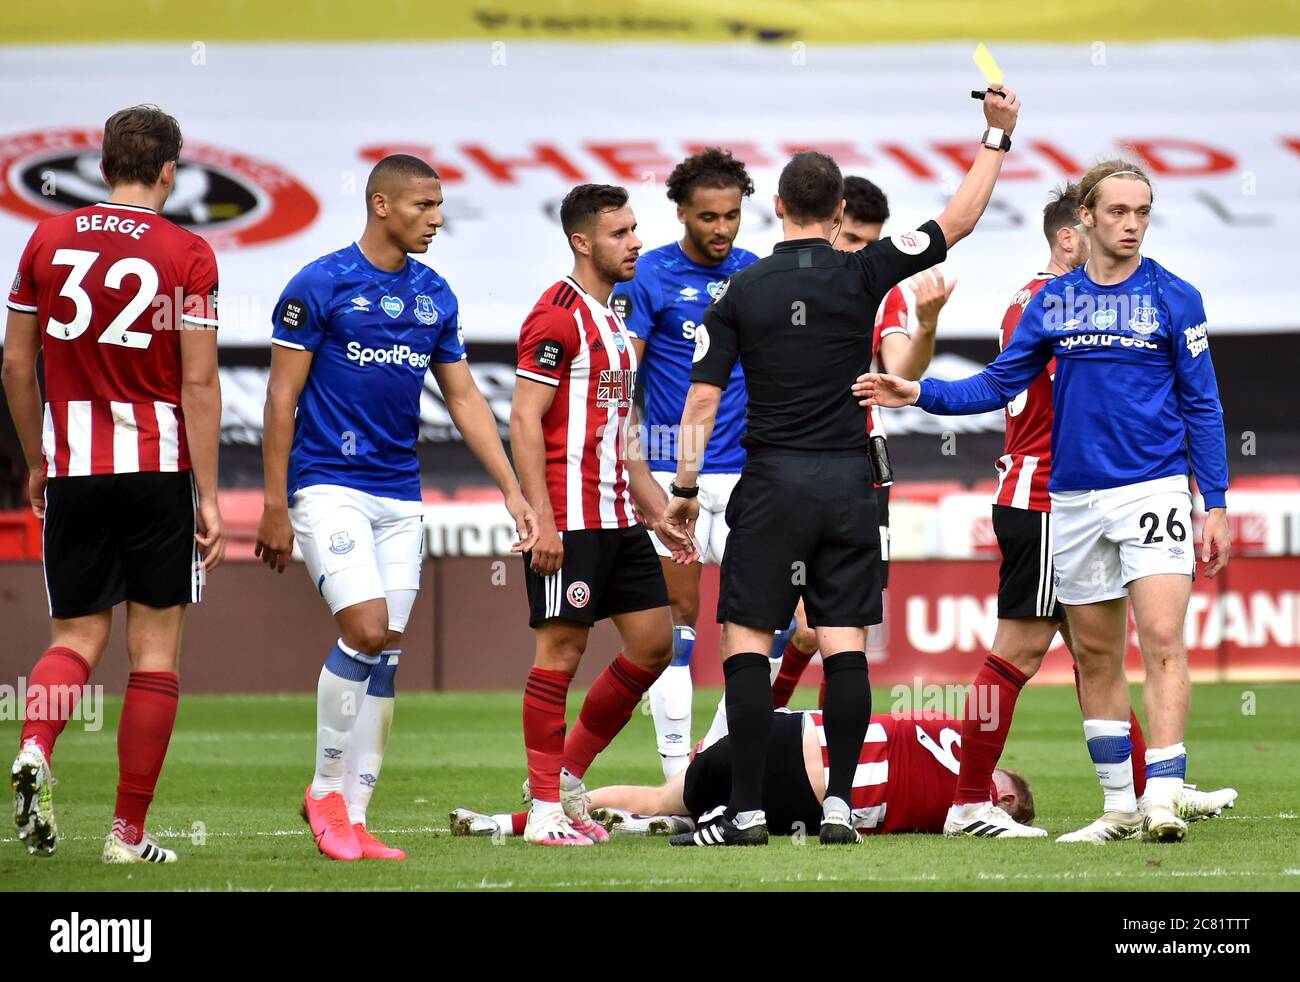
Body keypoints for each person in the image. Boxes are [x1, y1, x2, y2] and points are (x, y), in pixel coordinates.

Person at [662, 85, 1022, 846]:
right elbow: (957, 220)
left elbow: (698, 408)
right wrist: (996, 137)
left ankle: (748, 809)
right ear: (834, 215)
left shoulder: (738, 291)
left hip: (771, 484)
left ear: (778, 210)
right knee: (845, 647)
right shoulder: (865, 275)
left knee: (748, 645)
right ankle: (835, 811)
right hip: (851, 484)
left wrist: (686, 490)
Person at [857, 159, 1232, 844]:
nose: (1131, 225)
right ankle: (1095, 804)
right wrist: (923, 392)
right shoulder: (1047, 305)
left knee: (1145, 645)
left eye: (1142, 212)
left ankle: (1162, 796)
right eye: (1117, 212)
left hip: (1136, 493)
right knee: (1067, 656)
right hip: (1060, 500)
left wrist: (1216, 500)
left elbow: (1201, 403)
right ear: (1078, 224)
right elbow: (1000, 385)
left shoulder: (1172, 297)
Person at [254, 153, 538, 861]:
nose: (436, 219)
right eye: (423, 206)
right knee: (367, 629)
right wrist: (273, 504)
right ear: (381, 205)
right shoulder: (318, 285)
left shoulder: (435, 295)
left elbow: (466, 399)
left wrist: (512, 488)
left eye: (439, 206)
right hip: (328, 486)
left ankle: (356, 813)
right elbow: (280, 400)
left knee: (388, 656)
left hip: (399, 496)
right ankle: (322, 790)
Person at [4, 105, 224, 863]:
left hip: (74, 468)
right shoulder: (189, 252)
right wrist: (211, 494)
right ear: (170, 171)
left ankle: (37, 743)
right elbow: (199, 384)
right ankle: (128, 836)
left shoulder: (47, 238)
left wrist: (37, 458)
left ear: (100, 168)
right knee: (155, 654)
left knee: (75, 636)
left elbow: (13, 364)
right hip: (158, 469)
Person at [511, 184, 692, 846]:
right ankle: (543, 809)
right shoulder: (556, 315)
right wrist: (542, 519)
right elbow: (524, 418)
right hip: (571, 518)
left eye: (636, 229)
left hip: (618, 517)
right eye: (620, 232)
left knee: (653, 645)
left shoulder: (615, 321)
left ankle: (566, 781)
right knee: (560, 650)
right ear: (582, 241)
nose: (636, 241)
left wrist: (659, 512)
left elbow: (622, 435)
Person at [609, 148, 777, 779]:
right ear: (681, 211)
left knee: (756, 627)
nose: (721, 229)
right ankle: (679, 777)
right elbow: (619, 381)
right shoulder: (647, 277)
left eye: (732, 216)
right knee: (677, 630)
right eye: (707, 216)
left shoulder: (756, 275)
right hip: (668, 475)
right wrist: (635, 469)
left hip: (746, 476)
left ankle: (720, 762)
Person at [770, 175, 955, 709]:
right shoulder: (775, 282)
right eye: (850, 239)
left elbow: (901, 369)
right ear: (829, 223)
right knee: (791, 625)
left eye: (869, 245)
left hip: (862, 470)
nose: (857, 254)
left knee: (846, 624)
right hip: (785, 464)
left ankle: (833, 761)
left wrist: (926, 325)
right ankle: (749, 729)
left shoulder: (881, 292)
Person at [453, 710, 1038, 840]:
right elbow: (1002, 825)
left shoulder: (949, 728)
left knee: (663, 794)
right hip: (810, 796)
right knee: (679, 809)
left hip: (782, 730)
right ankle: (685, 826)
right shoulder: (980, 799)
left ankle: (506, 821)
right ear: (1004, 795)